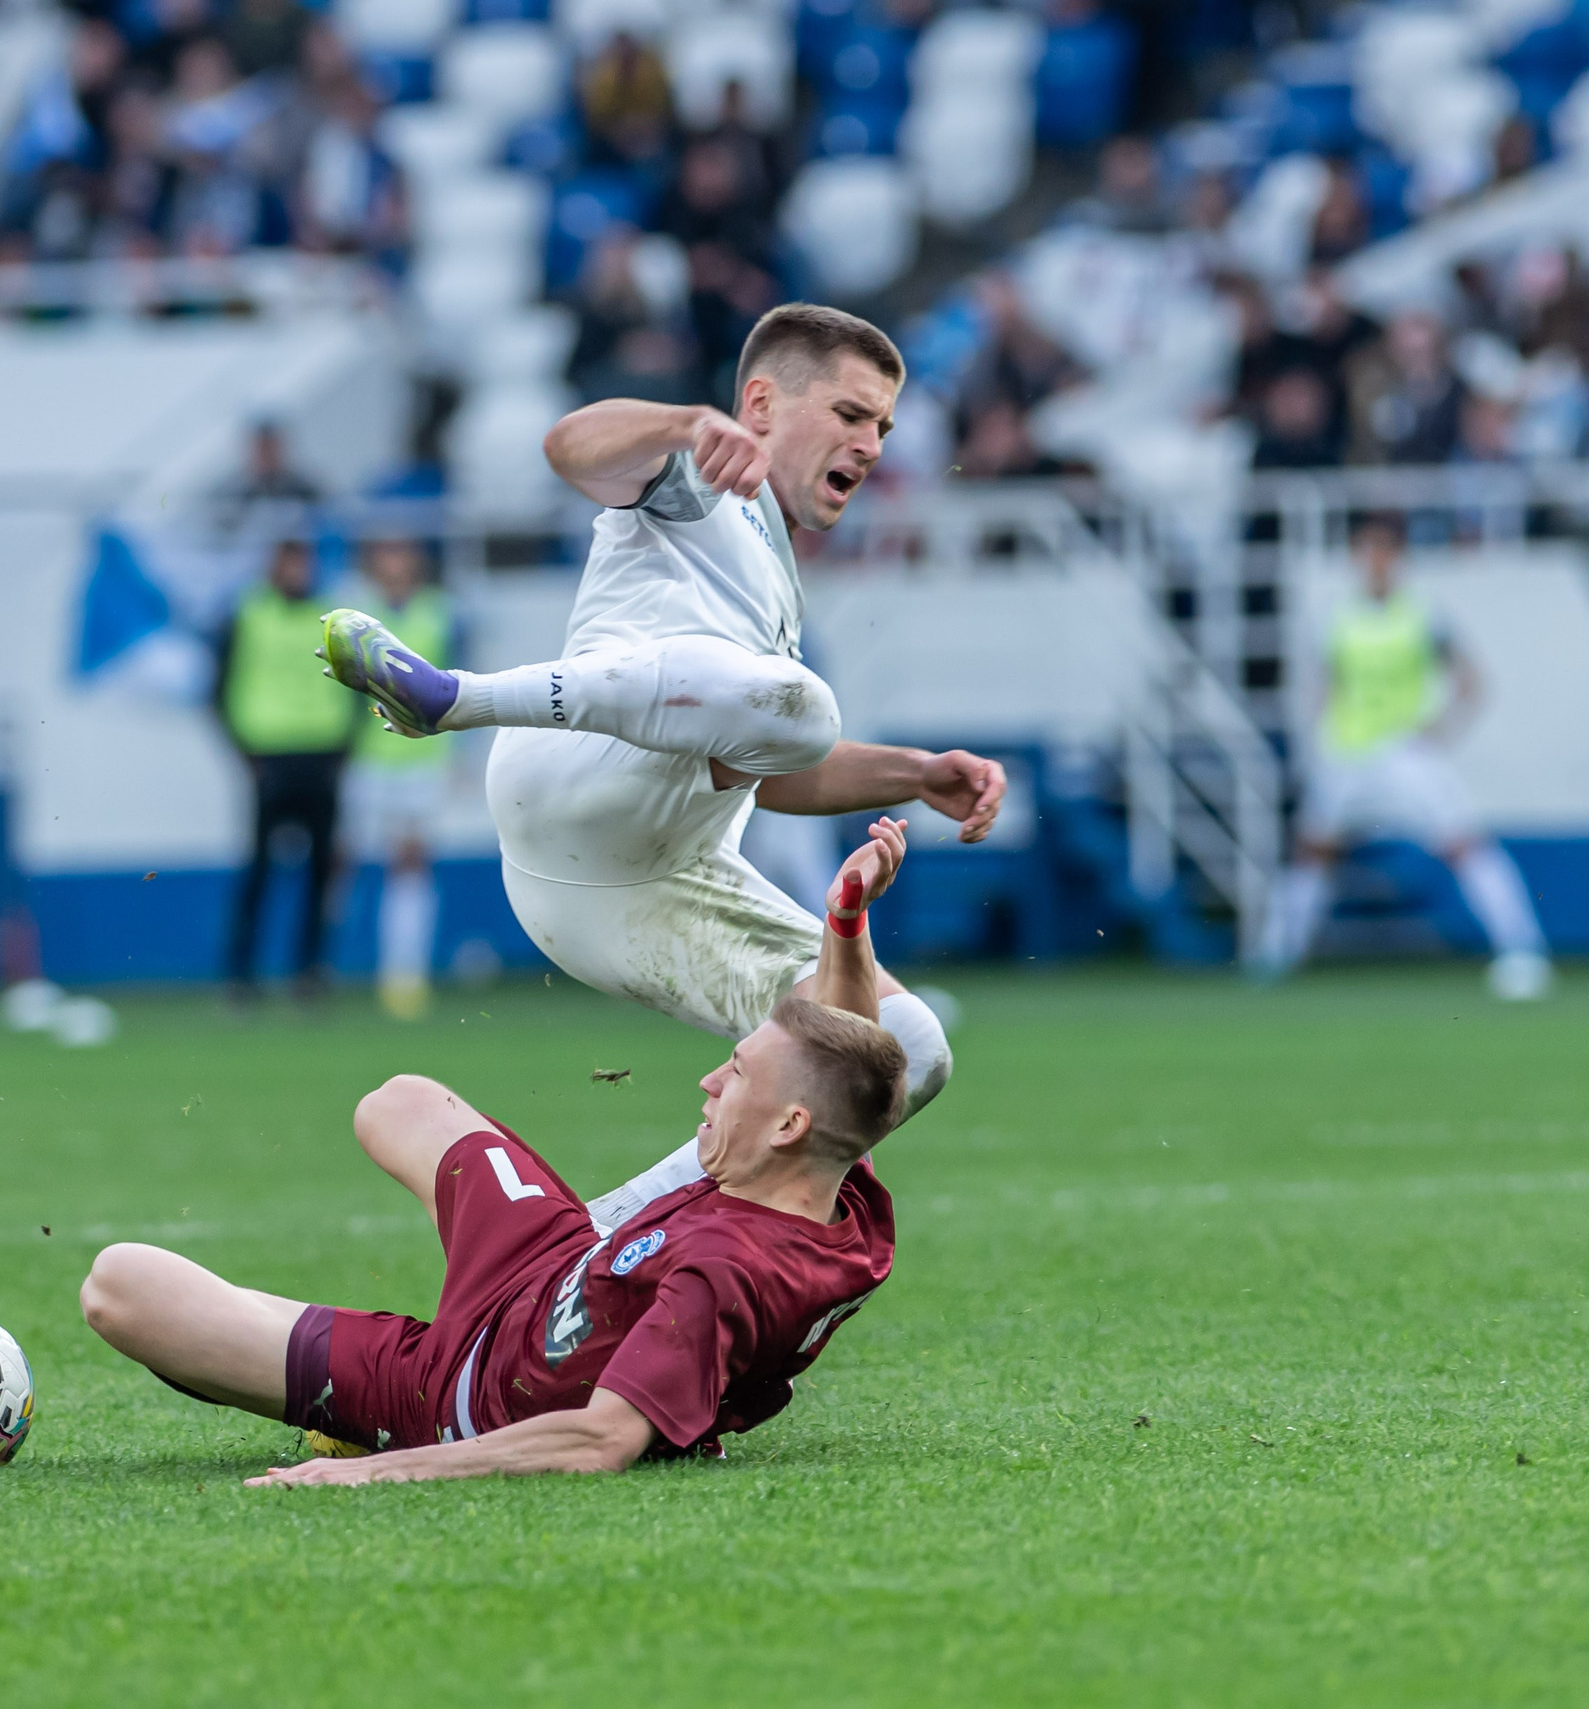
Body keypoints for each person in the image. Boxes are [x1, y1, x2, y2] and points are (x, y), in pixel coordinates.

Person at [316, 303, 1002, 1230]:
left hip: (636, 890)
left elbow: (768, 767)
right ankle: (454, 699)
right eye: (849, 414)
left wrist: (915, 774)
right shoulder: (705, 480)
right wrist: (684, 423)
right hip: (571, 778)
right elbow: (569, 447)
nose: (871, 445)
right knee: (804, 702)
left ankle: (594, 1242)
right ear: (761, 403)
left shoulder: (777, 581)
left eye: (881, 425)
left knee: (899, 1048)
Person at [80, 816, 913, 1484]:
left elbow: (600, 1439)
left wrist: (373, 1471)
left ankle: (343, 1396)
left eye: (734, 1073)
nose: (708, 1080)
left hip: (463, 1389)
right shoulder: (833, 1188)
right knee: (398, 1102)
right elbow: (840, 1058)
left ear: (786, 1126)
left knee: (119, 1284)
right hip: (553, 1261)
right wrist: (845, 920)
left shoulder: (723, 1273)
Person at [1253, 512, 1552, 999]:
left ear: (1398, 558)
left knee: (1464, 844)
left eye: (1383, 551)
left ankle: (1523, 950)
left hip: (1406, 752)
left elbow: (1471, 679)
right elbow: (1322, 687)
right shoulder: (1336, 618)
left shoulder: (1424, 615)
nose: (1374, 561)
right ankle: (1276, 954)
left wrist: (1441, 730)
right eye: (1366, 551)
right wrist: (1321, 742)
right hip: (1347, 752)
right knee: (1312, 850)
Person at [215, 537, 360, 1001]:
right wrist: (243, 752)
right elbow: (220, 686)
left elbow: (356, 684)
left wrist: (345, 750)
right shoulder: (248, 614)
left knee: (320, 873)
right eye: (288, 562)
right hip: (270, 756)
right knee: (259, 871)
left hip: (321, 754)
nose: (296, 571)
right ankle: (242, 976)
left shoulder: (331, 617)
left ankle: (309, 972)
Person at [340, 536, 457, 1020]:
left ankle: (404, 976)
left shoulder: (441, 613)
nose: (395, 562)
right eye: (386, 552)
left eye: (402, 552)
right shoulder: (354, 618)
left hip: (421, 758)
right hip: (367, 757)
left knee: (410, 863)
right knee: (340, 861)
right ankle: (322, 967)